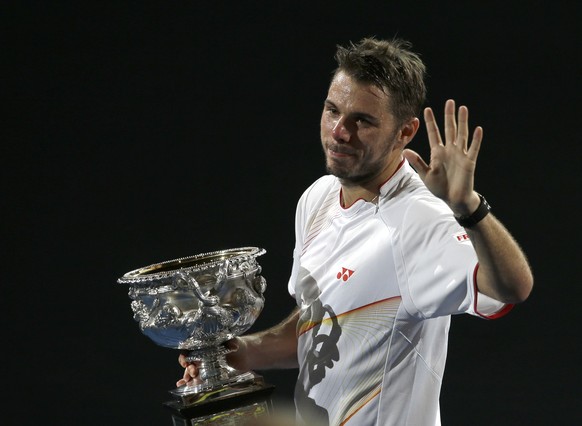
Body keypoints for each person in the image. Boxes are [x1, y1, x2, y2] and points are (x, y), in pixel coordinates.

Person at [177, 37, 533, 425]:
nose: (339, 132)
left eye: (362, 120)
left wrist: (470, 209)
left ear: (405, 132)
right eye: (333, 110)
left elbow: (513, 288)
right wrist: (244, 352)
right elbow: (321, 322)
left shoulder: (421, 220)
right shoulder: (318, 198)